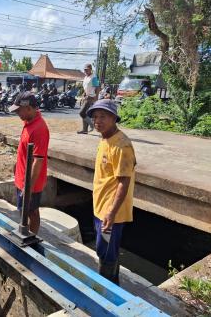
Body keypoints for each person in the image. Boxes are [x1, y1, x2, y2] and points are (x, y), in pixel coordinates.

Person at [87, 99, 136, 285]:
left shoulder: (122, 145)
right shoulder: (105, 138)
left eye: (103, 117)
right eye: (95, 117)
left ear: (114, 118)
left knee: (106, 252)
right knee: (105, 249)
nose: (97, 121)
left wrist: (112, 212)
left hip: (111, 212)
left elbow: (124, 181)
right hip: (100, 206)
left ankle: (105, 291)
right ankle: (113, 284)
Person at [9, 92, 50, 234]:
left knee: (32, 211)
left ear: (28, 108)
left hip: (31, 181)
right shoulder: (28, 122)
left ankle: (32, 237)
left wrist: (29, 186)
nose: (17, 113)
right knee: (23, 210)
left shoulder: (39, 128)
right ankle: (25, 232)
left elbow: (38, 160)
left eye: (19, 110)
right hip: (22, 177)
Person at [78, 63, 100, 134]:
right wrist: (83, 95)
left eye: (87, 69)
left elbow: (97, 87)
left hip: (91, 97)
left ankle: (92, 125)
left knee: (81, 113)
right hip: (86, 96)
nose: (86, 71)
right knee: (85, 113)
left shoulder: (93, 77)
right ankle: (85, 130)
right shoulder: (85, 77)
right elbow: (86, 88)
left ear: (91, 69)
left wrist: (96, 97)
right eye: (85, 70)